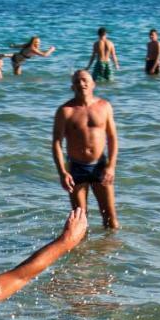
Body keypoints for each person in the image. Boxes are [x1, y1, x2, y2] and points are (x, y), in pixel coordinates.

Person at [52, 70, 119, 230]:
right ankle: (84, 253)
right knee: (80, 222)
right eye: (77, 81)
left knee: (111, 220)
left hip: (100, 166)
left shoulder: (104, 106)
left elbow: (112, 138)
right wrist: (62, 172)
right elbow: (56, 143)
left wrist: (111, 167)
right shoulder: (65, 111)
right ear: (72, 87)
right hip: (76, 167)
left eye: (84, 80)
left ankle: (108, 251)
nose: (81, 84)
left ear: (93, 84)